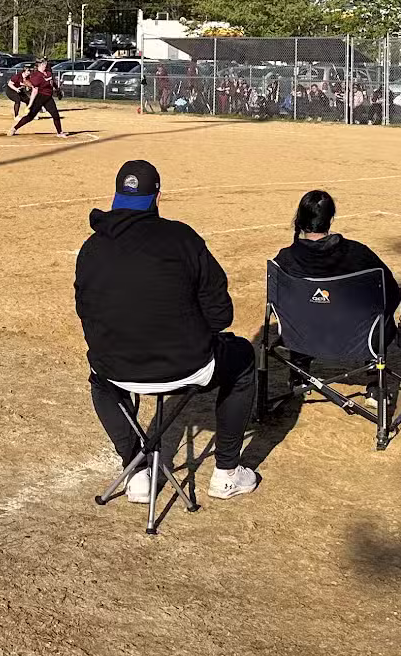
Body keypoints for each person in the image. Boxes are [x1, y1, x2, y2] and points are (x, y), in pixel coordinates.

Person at [74, 160, 261, 502]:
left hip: (117, 367)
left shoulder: (91, 248)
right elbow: (221, 315)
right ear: (157, 197)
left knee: (99, 378)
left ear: (116, 198)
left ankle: (136, 469)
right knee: (245, 358)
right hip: (186, 365)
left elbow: (86, 313)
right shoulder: (183, 239)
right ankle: (227, 473)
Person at [273, 189, 401, 320]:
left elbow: (276, 303)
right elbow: (391, 293)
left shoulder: (284, 259)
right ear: (330, 219)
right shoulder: (358, 253)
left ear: (300, 219)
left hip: (299, 336)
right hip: (355, 337)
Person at [10, 57, 67, 137]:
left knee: (55, 115)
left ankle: (59, 132)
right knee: (30, 117)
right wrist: (30, 104)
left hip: (48, 97)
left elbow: (52, 82)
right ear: (40, 65)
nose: (46, 66)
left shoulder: (48, 73)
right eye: (45, 65)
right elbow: (34, 91)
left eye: (46, 65)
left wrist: (57, 90)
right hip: (40, 97)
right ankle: (14, 128)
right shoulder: (36, 76)